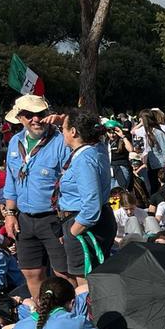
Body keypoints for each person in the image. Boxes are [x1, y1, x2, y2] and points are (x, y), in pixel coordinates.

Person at [2, 94, 70, 301]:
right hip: (24, 219)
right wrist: (10, 214)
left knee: (63, 273)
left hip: (54, 218)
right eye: (29, 115)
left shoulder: (61, 141)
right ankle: (42, 317)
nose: (35, 119)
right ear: (20, 118)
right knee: (31, 272)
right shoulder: (15, 141)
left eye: (40, 114)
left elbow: (70, 181)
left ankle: (70, 316)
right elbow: (11, 182)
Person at [59, 108, 117, 285]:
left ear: (73, 132)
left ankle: (90, 314)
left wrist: (74, 230)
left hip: (85, 224)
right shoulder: (96, 149)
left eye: (63, 128)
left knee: (86, 284)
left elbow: (91, 203)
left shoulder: (84, 159)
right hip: (91, 221)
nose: (61, 131)